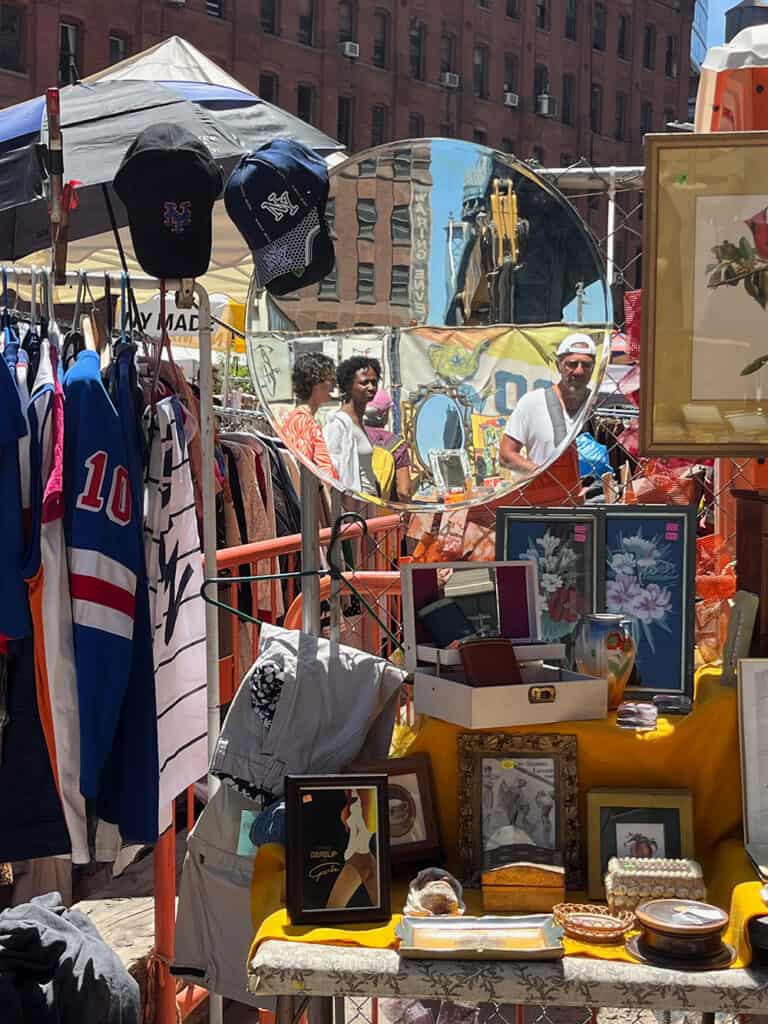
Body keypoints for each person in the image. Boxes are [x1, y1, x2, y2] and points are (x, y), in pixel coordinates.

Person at [500, 333, 596, 474]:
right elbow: (506, 455)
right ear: (558, 365)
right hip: (545, 492)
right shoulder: (533, 403)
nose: (579, 371)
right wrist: (544, 476)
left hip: (596, 493)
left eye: (586, 365)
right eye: (572, 364)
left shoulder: (600, 407)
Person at [324, 356, 382, 498]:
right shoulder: (338, 424)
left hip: (369, 502)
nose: (371, 387)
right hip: (353, 505)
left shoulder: (360, 421)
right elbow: (330, 471)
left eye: (374, 382)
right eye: (364, 383)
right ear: (348, 386)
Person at [279, 353, 337, 479]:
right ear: (316, 384)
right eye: (331, 380)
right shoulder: (302, 422)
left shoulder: (302, 419)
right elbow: (302, 473)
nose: (334, 385)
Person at [363, 389, 412, 503]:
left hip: (349, 511)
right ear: (384, 414)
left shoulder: (348, 436)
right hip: (380, 514)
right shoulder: (396, 444)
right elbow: (404, 492)